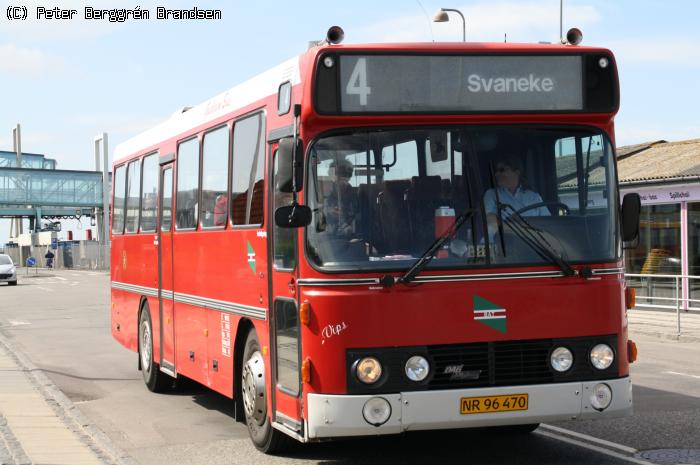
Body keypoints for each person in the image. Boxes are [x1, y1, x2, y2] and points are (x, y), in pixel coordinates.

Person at [483, 155, 549, 236]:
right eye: (496, 171)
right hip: (500, 245)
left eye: (502, 170)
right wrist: (524, 230)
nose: (497, 174)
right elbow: (490, 220)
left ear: (517, 172)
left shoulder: (534, 197)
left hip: (533, 246)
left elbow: (548, 223)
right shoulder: (491, 194)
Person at [324, 158, 358, 237]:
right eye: (340, 173)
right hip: (327, 237)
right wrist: (328, 211)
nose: (344, 176)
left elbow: (355, 217)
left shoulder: (353, 195)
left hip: (348, 236)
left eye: (347, 173)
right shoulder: (326, 192)